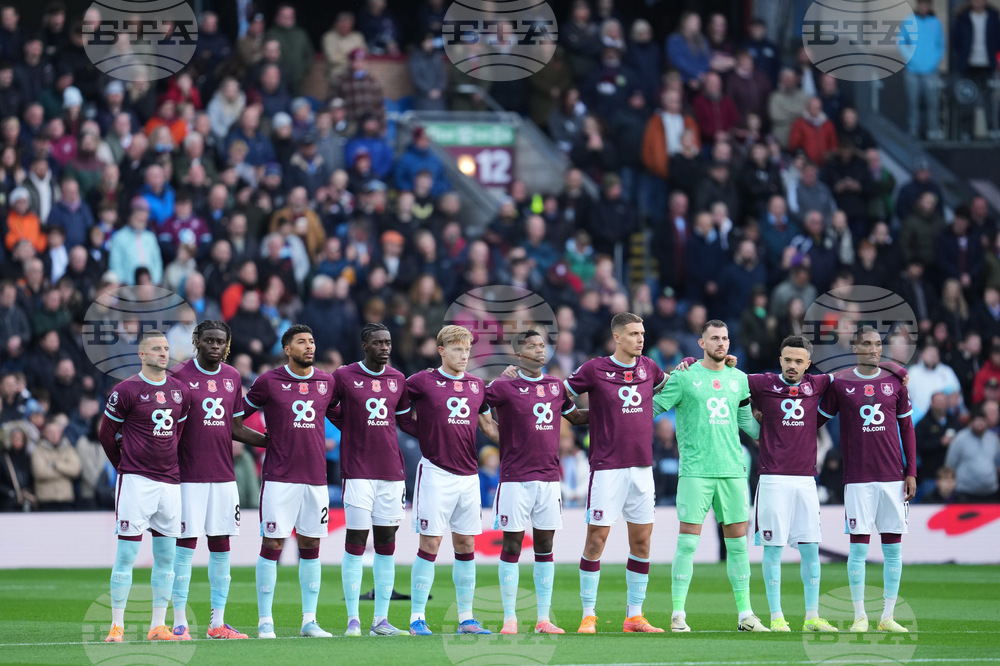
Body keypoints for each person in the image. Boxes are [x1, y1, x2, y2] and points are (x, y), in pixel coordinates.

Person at [653, 320, 768, 632]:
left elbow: (749, 424)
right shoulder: (685, 377)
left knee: (739, 546)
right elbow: (652, 407)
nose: (721, 343)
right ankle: (678, 614)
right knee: (688, 543)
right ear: (701, 343)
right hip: (696, 472)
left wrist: (780, 426)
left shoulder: (739, 379)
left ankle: (746, 615)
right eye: (714, 338)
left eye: (725, 338)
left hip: (732, 471)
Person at [564, 312, 668, 634]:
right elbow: (562, 393)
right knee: (597, 539)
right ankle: (588, 614)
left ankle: (634, 616)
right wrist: (577, 417)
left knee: (642, 541)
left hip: (642, 467)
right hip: (608, 468)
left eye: (642, 333)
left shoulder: (649, 367)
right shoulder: (595, 369)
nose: (641, 338)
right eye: (634, 334)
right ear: (618, 338)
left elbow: (667, 387)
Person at [167, 321, 268, 640]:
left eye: (220, 341)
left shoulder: (233, 377)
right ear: (196, 341)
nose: (214, 345)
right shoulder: (179, 376)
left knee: (221, 546)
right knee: (185, 546)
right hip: (189, 477)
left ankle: (217, 623)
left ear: (227, 345)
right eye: (208, 340)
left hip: (224, 477)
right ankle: (180, 622)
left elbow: (236, 427)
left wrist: (271, 441)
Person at [487, 330, 588, 634]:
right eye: (531, 346)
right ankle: (510, 618)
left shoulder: (556, 386)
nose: (540, 350)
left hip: (548, 479)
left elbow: (576, 417)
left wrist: (611, 410)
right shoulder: (505, 387)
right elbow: (472, 402)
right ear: (518, 355)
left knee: (545, 545)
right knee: (513, 545)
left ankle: (543, 618)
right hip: (515, 478)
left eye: (542, 345)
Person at [818, 326, 916, 633]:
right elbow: (816, 419)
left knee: (893, 549)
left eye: (878, 344)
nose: (874, 349)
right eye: (867, 344)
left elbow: (907, 429)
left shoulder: (895, 383)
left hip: (892, 478)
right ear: (856, 348)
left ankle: (887, 617)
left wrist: (910, 470)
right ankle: (860, 616)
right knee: (858, 549)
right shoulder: (841, 383)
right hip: (858, 478)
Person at [243, 325, 338, 639]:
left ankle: (309, 621)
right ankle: (265, 621)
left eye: (312, 341)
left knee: (311, 544)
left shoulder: (326, 381)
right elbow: (233, 419)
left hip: (315, 479)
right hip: (279, 478)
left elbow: (344, 417)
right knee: (272, 544)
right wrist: (264, 441)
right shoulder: (269, 382)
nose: (309, 347)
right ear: (287, 348)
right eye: (301, 342)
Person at [98, 330, 192, 642]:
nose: (163, 354)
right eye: (156, 349)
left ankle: (157, 625)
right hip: (136, 481)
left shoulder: (180, 392)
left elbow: (176, 434)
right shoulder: (126, 390)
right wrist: (124, 466)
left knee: (167, 557)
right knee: (127, 553)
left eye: (166, 348)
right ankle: (117, 625)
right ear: (142, 354)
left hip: (170, 483)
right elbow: (106, 434)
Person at [403, 326, 497, 635]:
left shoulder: (476, 385)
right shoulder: (421, 381)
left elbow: (487, 424)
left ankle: (467, 618)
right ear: (441, 350)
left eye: (467, 349)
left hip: (468, 476)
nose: (464, 354)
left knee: (466, 543)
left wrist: (519, 443)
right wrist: (423, 432)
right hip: (435, 472)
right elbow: (398, 409)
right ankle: (417, 617)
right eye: (457, 349)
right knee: (430, 543)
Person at [745, 336, 838, 632]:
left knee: (810, 549)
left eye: (799, 361)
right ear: (780, 360)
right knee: (773, 549)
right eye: (788, 360)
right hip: (773, 479)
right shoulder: (763, 383)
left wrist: (896, 370)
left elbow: (853, 374)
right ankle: (777, 617)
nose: (793, 366)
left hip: (806, 480)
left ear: (808, 364)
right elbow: (727, 381)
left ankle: (812, 616)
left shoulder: (817, 384)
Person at [327, 323, 411, 636]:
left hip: (391, 471)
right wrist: (348, 422)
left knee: (387, 544)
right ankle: (353, 620)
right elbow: (327, 407)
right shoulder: (344, 376)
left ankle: (381, 621)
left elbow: (402, 419)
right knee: (357, 542)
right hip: (358, 470)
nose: (385, 347)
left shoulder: (398, 379)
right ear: (365, 345)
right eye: (378, 343)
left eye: (388, 342)